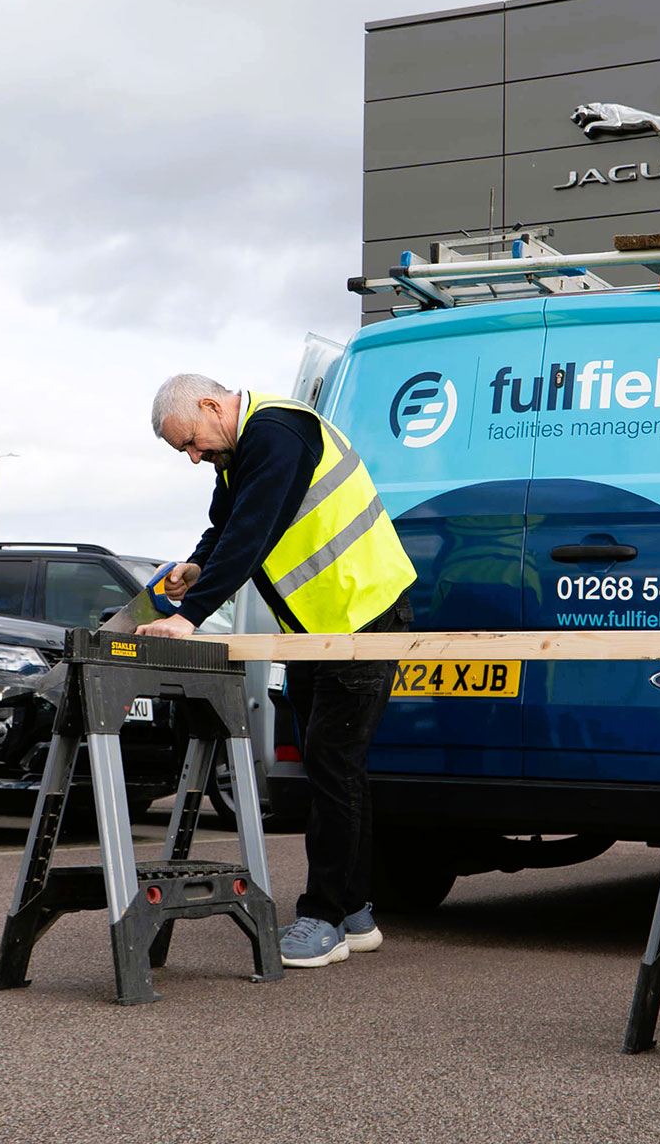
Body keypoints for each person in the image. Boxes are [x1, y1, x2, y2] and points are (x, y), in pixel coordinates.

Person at [139, 373, 416, 969]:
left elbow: (253, 532)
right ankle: (355, 911)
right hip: (321, 629)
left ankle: (324, 918)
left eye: (190, 441)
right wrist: (195, 566)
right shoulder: (240, 452)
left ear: (213, 406)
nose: (193, 456)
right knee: (334, 767)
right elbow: (225, 528)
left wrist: (191, 617)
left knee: (334, 763)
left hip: (361, 616)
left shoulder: (277, 433)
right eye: (183, 450)